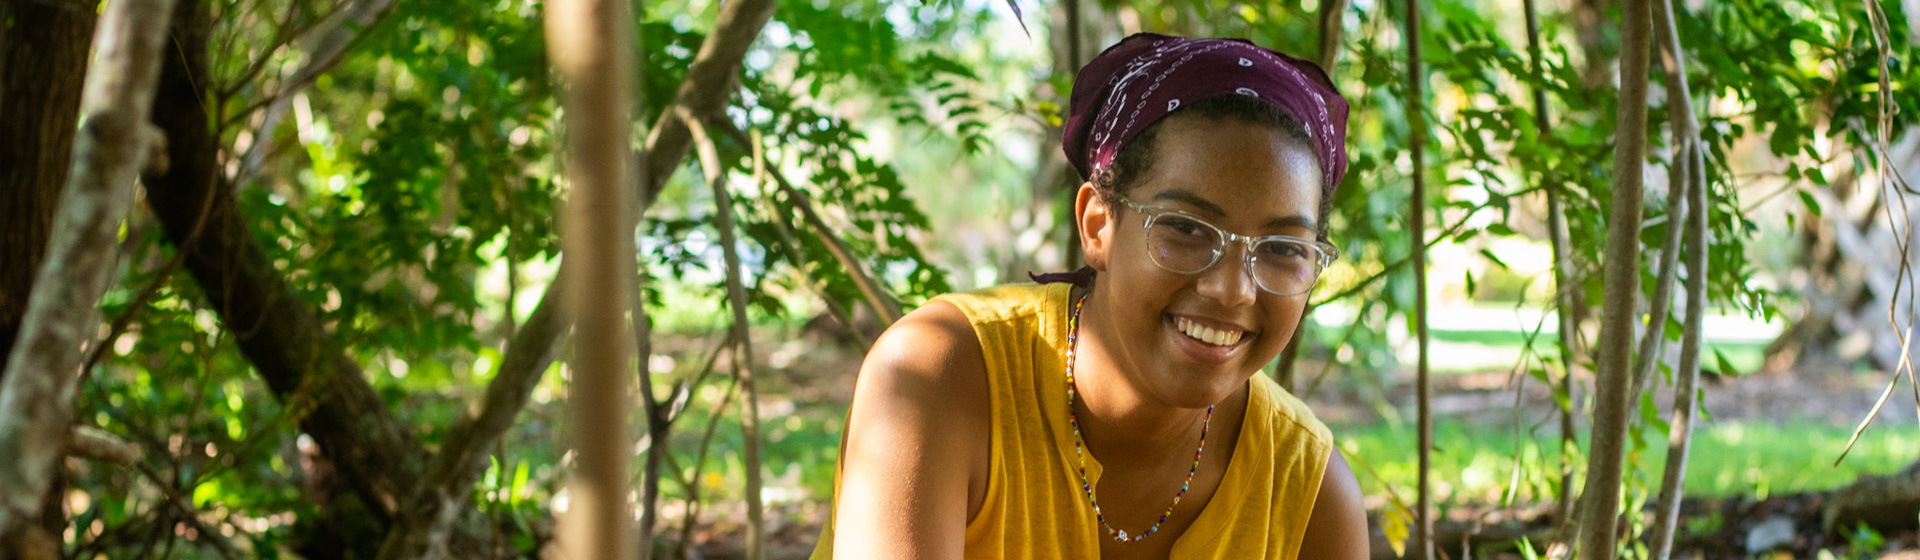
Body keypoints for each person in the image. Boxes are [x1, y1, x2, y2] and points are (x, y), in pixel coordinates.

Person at [810, 33, 1369, 559]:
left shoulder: (1306, 493)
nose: (1230, 289)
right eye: (1186, 229)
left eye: (1282, 248)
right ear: (1098, 225)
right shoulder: (940, 378)